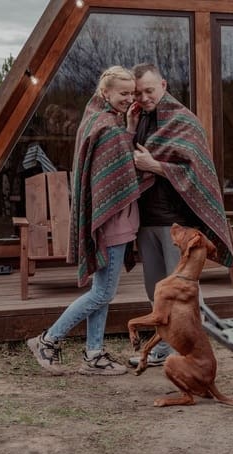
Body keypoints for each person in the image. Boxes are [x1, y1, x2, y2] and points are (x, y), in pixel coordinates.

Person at [27, 66, 142, 376]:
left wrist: (129, 126)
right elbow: (123, 176)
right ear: (105, 92)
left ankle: (93, 354)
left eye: (132, 93)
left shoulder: (95, 120)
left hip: (106, 221)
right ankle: (47, 340)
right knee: (103, 293)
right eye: (123, 93)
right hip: (112, 223)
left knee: (102, 290)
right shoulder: (109, 129)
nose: (129, 98)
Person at [126, 63, 233, 367]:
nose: (144, 97)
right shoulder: (140, 119)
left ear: (163, 84)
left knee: (184, 293)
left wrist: (156, 167)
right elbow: (127, 160)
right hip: (146, 218)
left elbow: (198, 172)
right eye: (138, 92)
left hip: (178, 221)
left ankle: (192, 353)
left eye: (149, 90)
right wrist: (131, 128)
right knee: (155, 289)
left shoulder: (184, 120)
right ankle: (167, 346)